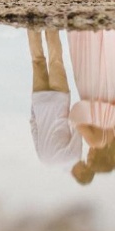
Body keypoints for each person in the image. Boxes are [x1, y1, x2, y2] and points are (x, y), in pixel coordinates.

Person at [67, 29, 115, 185]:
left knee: (103, 65)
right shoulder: (95, 142)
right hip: (91, 93)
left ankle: (100, 35)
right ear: (98, 158)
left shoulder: (113, 138)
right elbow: (77, 123)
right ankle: (86, 34)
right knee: (87, 61)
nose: (88, 156)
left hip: (107, 91)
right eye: (90, 159)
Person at [27, 27, 81, 166]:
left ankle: (51, 25)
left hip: (59, 102)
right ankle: (32, 24)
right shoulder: (43, 160)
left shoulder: (73, 157)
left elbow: (77, 127)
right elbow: (34, 128)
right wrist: (34, 106)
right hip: (40, 102)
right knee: (37, 60)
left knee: (55, 60)